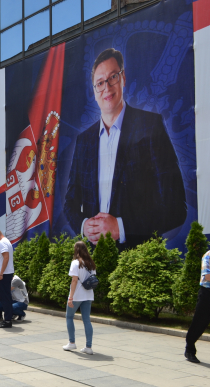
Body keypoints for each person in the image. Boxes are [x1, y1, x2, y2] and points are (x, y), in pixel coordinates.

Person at [64, 48, 186, 248]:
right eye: (100, 83)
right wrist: (84, 225)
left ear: (123, 78)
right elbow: (70, 203)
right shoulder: (83, 141)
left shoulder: (151, 126)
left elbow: (176, 207)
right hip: (96, 260)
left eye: (113, 77)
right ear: (94, 92)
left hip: (137, 260)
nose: (107, 87)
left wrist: (121, 227)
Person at [63, 241, 97, 355]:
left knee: (69, 317)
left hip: (77, 295)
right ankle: (88, 346)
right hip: (88, 294)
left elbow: (74, 280)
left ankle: (72, 343)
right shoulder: (91, 263)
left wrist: (70, 297)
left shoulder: (75, 263)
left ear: (76, 250)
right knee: (86, 320)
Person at [184, 248, 210, 363]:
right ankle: (189, 349)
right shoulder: (208, 256)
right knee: (200, 323)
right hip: (207, 293)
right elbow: (207, 276)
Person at [0, 229, 15, 329]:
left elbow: (6, 258)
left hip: (4, 274)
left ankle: (7, 320)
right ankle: (8, 319)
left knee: (5, 297)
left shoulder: (2, 242)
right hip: (6, 273)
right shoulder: (6, 241)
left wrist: (1, 273)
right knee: (6, 297)